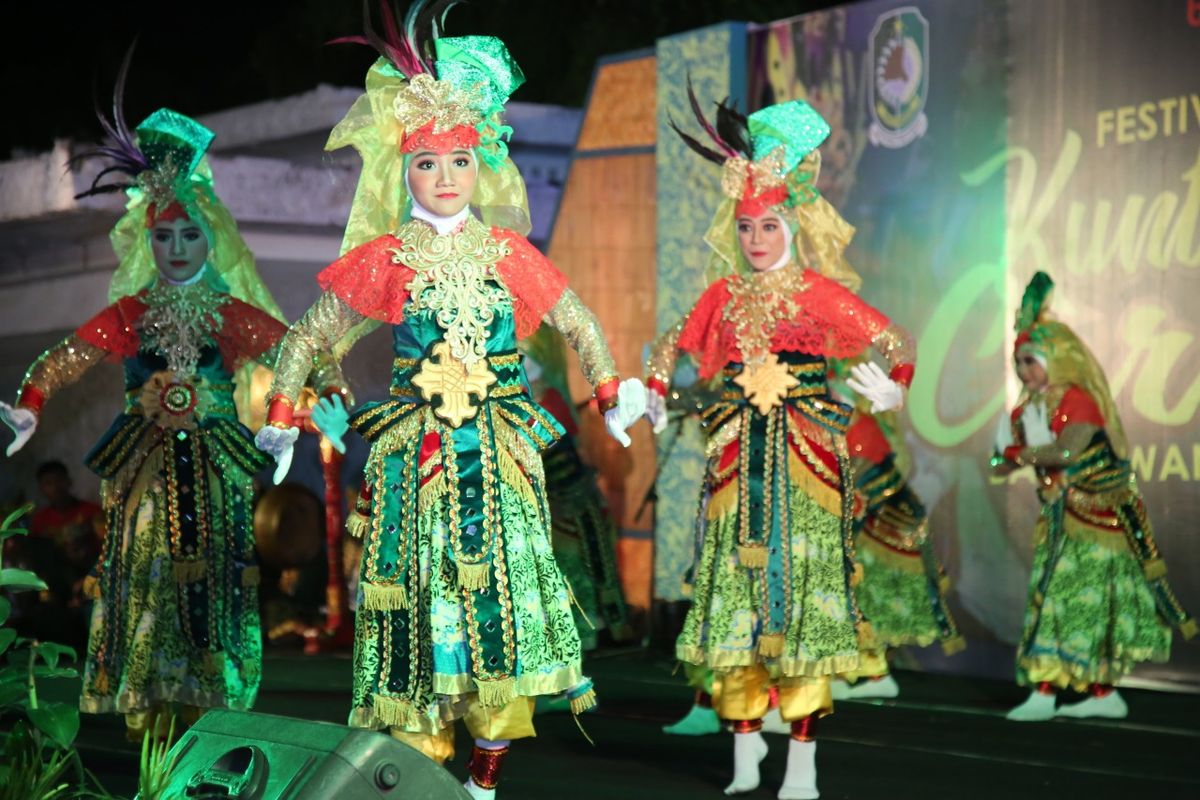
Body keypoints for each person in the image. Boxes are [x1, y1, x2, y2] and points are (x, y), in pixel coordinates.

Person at [253, 5, 645, 797]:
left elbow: (577, 319)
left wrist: (611, 391)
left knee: (500, 597)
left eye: (458, 161)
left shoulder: (507, 253)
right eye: (426, 163)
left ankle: (485, 781)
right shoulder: (388, 257)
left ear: (481, 165)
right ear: (405, 171)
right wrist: (283, 417)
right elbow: (304, 338)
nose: (443, 178)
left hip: (499, 455)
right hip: (418, 461)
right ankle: (424, 765)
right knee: (425, 604)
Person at [0, 86, 346, 741]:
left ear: (210, 237)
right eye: (166, 235)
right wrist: (28, 409)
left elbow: (305, 349)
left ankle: (210, 698)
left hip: (217, 462)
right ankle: (149, 700)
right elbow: (60, 360)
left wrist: (322, 397)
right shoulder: (130, 314)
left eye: (192, 233)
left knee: (216, 572)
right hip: (144, 468)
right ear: (148, 239)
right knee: (146, 568)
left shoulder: (227, 313)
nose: (180, 246)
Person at [645, 88, 915, 798]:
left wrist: (894, 387)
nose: (757, 239)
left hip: (804, 468)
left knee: (804, 600)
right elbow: (669, 346)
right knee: (734, 597)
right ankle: (742, 758)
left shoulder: (820, 295)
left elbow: (893, 340)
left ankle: (801, 764)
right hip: (736, 466)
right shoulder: (723, 297)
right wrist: (645, 392)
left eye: (768, 225)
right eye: (746, 228)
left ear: (793, 222)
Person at [993, 272, 1194, 721]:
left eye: (1032, 361)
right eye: (1019, 362)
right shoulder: (1028, 408)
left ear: (1059, 358)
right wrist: (1004, 458)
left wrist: (1017, 453)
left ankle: (1051, 691)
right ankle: (1100, 695)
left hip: (1099, 519)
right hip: (1062, 519)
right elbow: (1002, 463)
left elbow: (1066, 451)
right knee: (1056, 596)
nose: (1024, 371)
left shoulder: (1079, 401)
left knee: (1076, 599)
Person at [833, 405, 963, 700]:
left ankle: (872, 672)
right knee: (858, 597)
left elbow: (852, 482)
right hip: (875, 533)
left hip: (883, 534)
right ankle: (854, 671)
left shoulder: (860, 426)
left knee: (865, 598)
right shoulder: (843, 424)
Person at [524, 326, 633, 652]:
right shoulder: (529, 399)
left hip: (565, 496)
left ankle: (582, 634)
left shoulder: (548, 399)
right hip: (543, 497)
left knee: (576, 561)